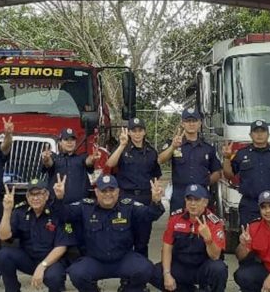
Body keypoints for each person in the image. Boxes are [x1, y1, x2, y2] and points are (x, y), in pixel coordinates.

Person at [54, 174, 166, 292]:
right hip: (95, 260)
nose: (108, 194)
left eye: (111, 190)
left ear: (118, 191)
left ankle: (127, 289)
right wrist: (59, 199)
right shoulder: (85, 207)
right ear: (96, 192)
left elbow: (150, 215)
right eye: (103, 190)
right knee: (76, 273)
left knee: (146, 269)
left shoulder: (128, 206)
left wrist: (156, 202)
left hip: (123, 259)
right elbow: (63, 214)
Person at [0, 179, 73, 292]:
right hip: (29, 259)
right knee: (4, 254)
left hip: (52, 261)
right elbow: (4, 236)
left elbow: (62, 246)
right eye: (32, 194)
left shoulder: (57, 212)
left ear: (47, 195)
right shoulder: (20, 212)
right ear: (27, 197)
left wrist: (43, 266)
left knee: (54, 278)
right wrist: (7, 211)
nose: (35, 198)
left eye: (39, 194)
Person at [150, 184, 228, 292]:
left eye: (197, 200)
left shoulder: (214, 222)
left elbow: (215, 256)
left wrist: (208, 239)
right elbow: (167, 248)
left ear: (205, 202)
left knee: (219, 269)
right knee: (154, 272)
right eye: (189, 199)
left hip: (202, 267)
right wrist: (167, 274)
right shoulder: (175, 218)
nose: (192, 204)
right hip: (181, 265)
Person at [106, 118, 162, 258]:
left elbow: (156, 175)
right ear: (129, 133)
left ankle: (141, 274)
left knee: (142, 241)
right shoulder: (122, 148)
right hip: (126, 198)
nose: (137, 134)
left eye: (140, 130)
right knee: (124, 238)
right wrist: (121, 145)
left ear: (144, 132)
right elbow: (110, 164)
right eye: (133, 131)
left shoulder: (151, 152)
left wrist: (155, 196)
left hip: (144, 198)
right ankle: (126, 276)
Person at [223, 120, 270, 225]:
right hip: (249, 205)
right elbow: (228, 175)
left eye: (262, 131)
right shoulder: (241, 154)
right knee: (248, 238)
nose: (259, 134)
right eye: (256, 131)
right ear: (250, 135)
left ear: (268, 134)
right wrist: (227, 158)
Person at [158, 108, 221, 213]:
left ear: (200, 123)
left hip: (201, 195)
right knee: (178, 227)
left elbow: (217, 171)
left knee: (202, 227)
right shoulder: (173, 143)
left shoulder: (207, 148)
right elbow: (160, 160)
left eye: (194, 121)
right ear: (183, 123)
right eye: (188, 121)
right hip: (180, 196)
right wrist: (173, 147)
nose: (191, 124)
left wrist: (205, 182)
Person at [42, 128, 98, 204]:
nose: (69, 142)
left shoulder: (82, 158)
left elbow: (88, 161)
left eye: (72, 140)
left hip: (79, 206)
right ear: (60, 142)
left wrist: (93, 158)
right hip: (57, 205)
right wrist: (46, 159)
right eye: (66, 139)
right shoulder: (54, 158)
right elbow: (49, 163)